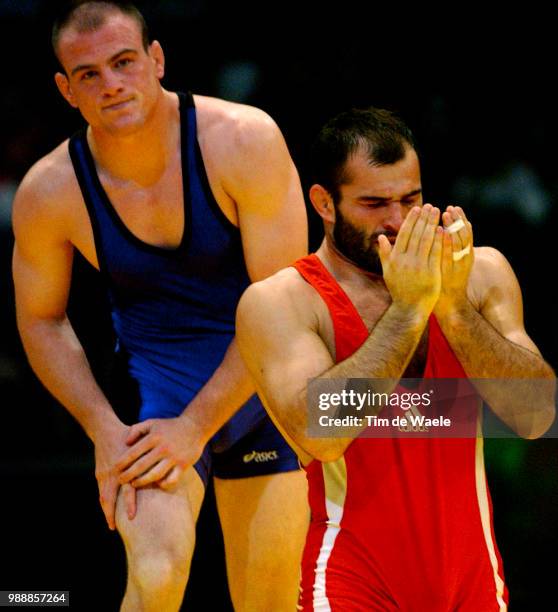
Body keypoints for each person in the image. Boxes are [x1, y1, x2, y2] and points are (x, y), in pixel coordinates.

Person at [12, 1, 309, 610]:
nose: (111, 84)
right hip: (155, 393)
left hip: (259, 388)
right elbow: (40, 318)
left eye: (123, 62)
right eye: (88, 73)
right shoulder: (50, 190)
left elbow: (283, 313)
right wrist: (102, 428)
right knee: (155, 578)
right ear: (66, 90)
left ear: (157, 60)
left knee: (269, 603)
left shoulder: (243, 140)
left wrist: (196, 428)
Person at [236, 107, 556, 610]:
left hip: (473, 584)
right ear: (323, 202)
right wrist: (409, 309)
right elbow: (321, 436)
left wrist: (450, 307)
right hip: (351, 584)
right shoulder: (282, 302)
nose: (398, 221)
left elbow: (537, 417)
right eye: (373, 203)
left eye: (411, 199)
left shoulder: (478, 273)